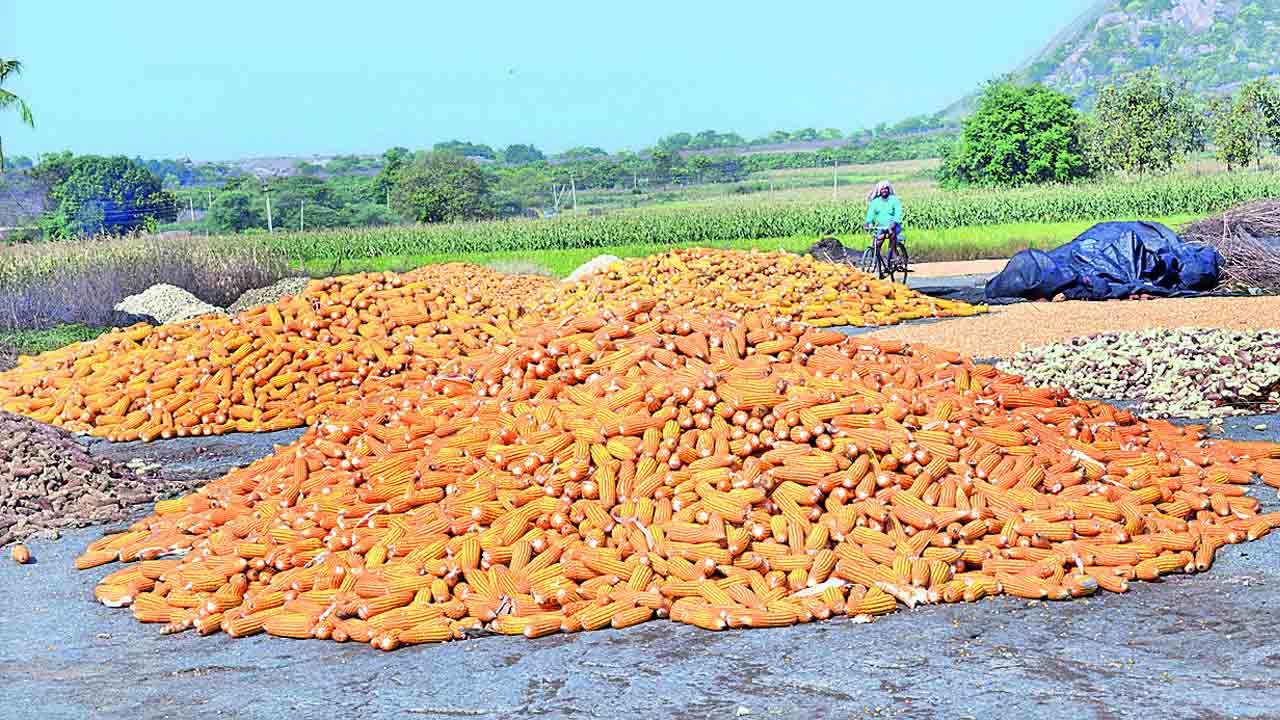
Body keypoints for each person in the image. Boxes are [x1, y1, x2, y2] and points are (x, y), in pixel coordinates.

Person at [864, 181, 903, 253]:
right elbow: (870, 214)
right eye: (882, 189)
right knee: (877, 244)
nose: (884, 191)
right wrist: (868, 222)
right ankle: (874, 258)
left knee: (892, 234)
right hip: (881, 227)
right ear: (879, 191)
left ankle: (893, 253)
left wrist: (894, 222)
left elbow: (898, 212)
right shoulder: (875, 202)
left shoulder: (894, 200)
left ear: (889, 190)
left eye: (886, 189)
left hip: (894, 225)